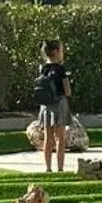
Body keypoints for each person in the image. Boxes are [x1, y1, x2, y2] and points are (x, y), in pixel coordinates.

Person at [34, 38, 72, 174]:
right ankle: (60, 168)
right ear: (56, 52)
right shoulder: (61, 69)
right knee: (60, 138)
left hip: (45, 106)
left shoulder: (42, 68)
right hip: (59, 104)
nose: (62, 53)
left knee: (48, 138)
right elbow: (67, 91)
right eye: (61, 50)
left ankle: (48, 167)